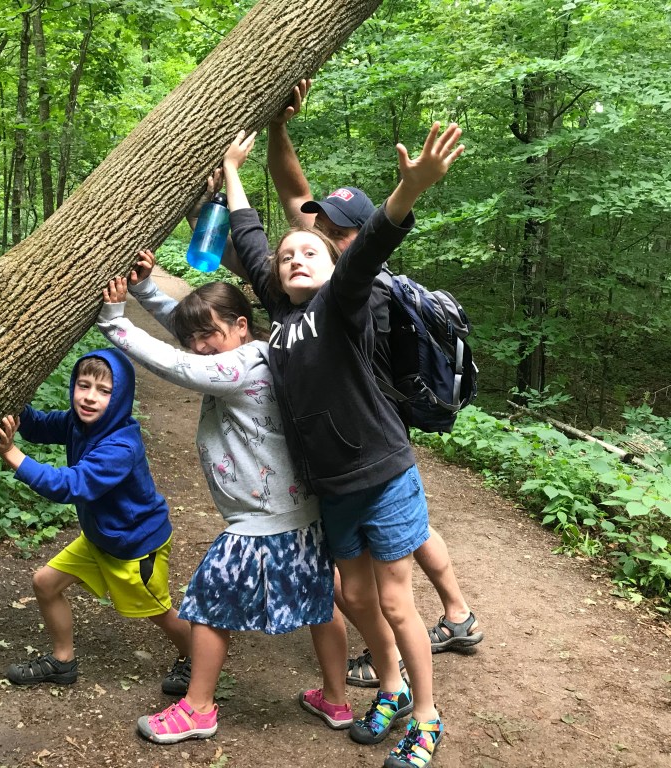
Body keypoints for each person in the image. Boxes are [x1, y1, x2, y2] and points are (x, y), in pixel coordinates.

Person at [222, 122, 464, 768]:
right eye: (287, 256)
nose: (295, 258)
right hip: (333, 488)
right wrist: (232, 170)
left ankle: (426, 717)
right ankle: (390, 686)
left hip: (382, 473)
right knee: (353, 597)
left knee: (393, 600)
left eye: (311, 251)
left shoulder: (342, 303)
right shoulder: (284, 316)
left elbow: (370, 246)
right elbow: (249, 239)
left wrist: (409, 191)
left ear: (333, 266)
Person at [266, 81, 483, 687]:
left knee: (386, 554)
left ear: (355, 237)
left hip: (371, 429)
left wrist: (409, 189)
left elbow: (366, 236)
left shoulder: (362, 288)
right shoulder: (334, 262)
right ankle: (459, 613)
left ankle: (394, 655)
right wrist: (278, 129)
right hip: (378, 428)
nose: (315, 230)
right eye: (320, 223)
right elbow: (296, 197)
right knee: (412, 527)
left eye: (333, 228)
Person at [95, 256, 350, 744]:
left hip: (262, 519)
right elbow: (193, 333)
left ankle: (197, 708)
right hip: (299, 513)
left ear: (240, 325)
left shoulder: (239, 367)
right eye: (193, 336)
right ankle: (336, 700)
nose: (198, 344)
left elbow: (178, 363)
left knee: (209, 603)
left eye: (209, 334)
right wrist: (146, 290)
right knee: (320, 603)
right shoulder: (258, 350)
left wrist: (115, 323)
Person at [0, 348, 193, 694]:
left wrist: (11, 453)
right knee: (45, 583)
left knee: (159, 612)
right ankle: (62, 661)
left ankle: (197, 659)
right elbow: (37, 426)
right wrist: (12, 402)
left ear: (121, 396)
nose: (89, 397)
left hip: (134, 546)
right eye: (83, 385)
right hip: (101, 537)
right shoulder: (77, 423)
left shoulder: (121, 447)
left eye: (104, 390)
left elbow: (70, 485)